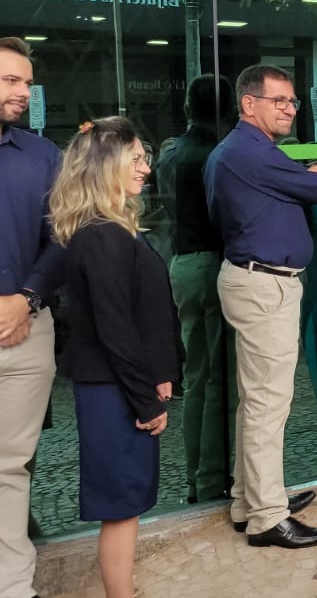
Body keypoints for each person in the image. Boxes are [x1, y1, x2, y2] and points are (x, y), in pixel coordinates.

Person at [205, 64, 317, 549]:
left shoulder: (244, 152)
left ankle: (251, 501)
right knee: (266, 405)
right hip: (264, 286)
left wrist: (303, 176)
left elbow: (278, 189)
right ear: (248, 103)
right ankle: (267, 518)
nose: (290, 109)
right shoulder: (250, 152)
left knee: (256, 401)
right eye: (279, 100)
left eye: (293, 101)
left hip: (257, 282)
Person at [52, 117, 179, 598]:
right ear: (106, 167)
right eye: (137, 159)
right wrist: (146, 399)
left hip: (119, 385)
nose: (146, 168)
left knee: (127, 499)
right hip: (112, 390)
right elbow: (115, 328)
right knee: (121, 502)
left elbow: (143, 313)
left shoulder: (112, 227)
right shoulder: (103, 234)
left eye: (145, 158)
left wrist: (159, 374)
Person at [0, 36, 64, 598]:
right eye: (10, 81)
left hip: (27, 330)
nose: (24, 92)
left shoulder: (43, 155)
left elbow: (63, 236)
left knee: (10, 467)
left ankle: (14, 587)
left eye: (27, 82)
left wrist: (26, 297)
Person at [153, 74, 236, 504]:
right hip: (212, 264)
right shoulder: (215, 156)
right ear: (230, 111)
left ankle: (196, 478)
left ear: (188, 108)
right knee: (219, 379)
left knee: (198, 375)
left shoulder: (169, 154)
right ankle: (211, 478)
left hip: (182, 263)